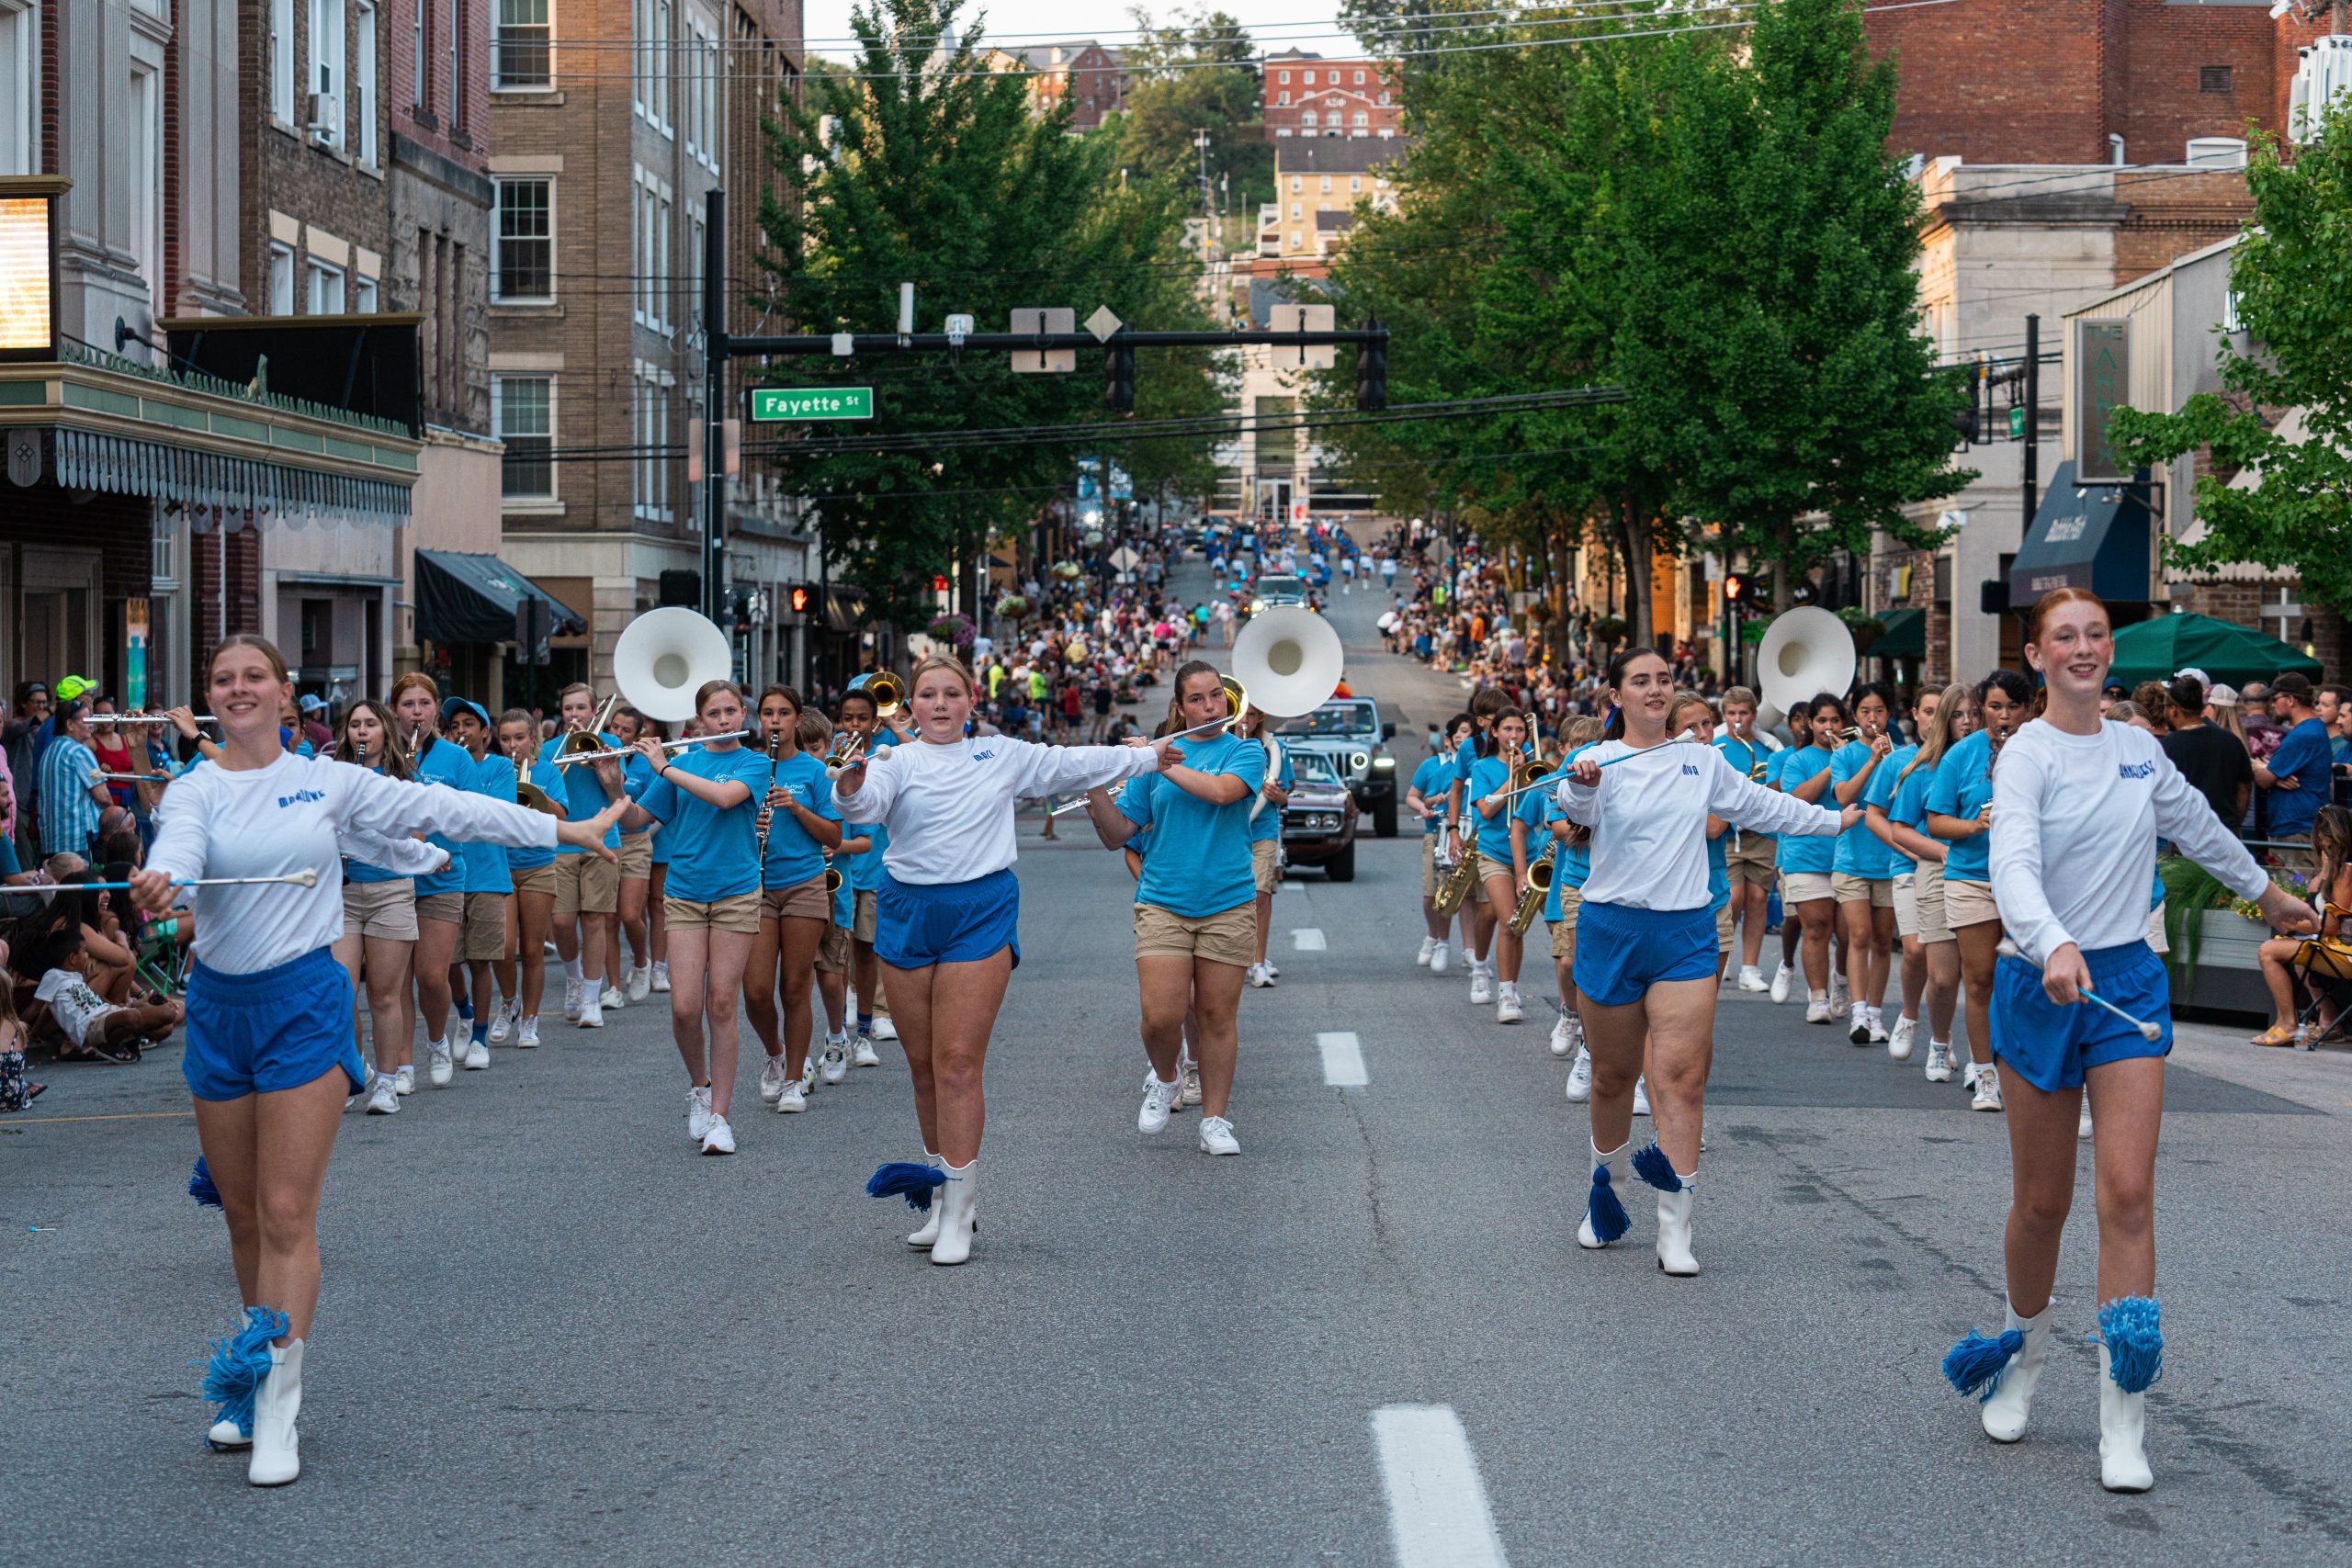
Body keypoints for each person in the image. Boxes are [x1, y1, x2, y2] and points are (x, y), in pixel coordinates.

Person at [135, 633, 620, 1487]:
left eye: (254, 677)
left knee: (286, 1212)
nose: (237, 689)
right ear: (208, 696)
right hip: (217, 1008)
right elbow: (177, 847)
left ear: (286, 696)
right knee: (241, 1212)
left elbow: (454, 811)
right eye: (222, 679)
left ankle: (281, 1398)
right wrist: (161, 880)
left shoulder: (329, 779)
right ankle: (255, 1369)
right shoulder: (194, 788)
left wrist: (564, 825)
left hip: (302, 1003)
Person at [1941, 588, 2313, 1493]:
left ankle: (2122, 1410)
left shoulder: (2139, 752)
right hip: (2041, 984)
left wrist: (2268, 898)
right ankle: (2021, 1351)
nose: (2081, 648)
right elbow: (2011, 863)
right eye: (2062, 636)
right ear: (2035, 656)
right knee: (2040, 1204)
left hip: (2126, 987)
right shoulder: (2024, 756)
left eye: (2095, 635)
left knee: (2127, 1190)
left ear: (2112, 651)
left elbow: (2201, 830)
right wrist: (2049, 939)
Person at [842, 656, 1170, 1264]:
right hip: (906, 909)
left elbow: (1070, 764)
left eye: (951, 694)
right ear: (911, 705)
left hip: (979, 908)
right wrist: (852, 784)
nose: (939, 704)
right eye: (928, 695)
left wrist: (1151, 756)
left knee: (958, 1063)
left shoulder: (1003, 755)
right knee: (921, 1066)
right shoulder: (895, 761)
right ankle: (940, 1197)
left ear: (971, 703)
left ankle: (961, 1210)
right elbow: (864, 809)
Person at [1561, 649, 1854, 1274]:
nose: (1655, 689)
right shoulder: (1599, 761)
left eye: (1664, 679)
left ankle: (1677, 1226)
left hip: (1686, 932)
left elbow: (1761, 806)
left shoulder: (1702, 759)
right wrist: (1581, 785)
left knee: (1682, 1078)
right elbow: (1576, 811)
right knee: (1613, 1076)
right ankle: (1603, 1194)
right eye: (1640, 680)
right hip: (1612, 927)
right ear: (1617, 694)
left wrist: (1833, 820)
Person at [616, 681, 771, 1155]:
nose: (724, 720)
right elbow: (637, 821)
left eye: (731, 711)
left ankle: (721, 1117)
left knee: (721, 1003)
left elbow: (724, 798)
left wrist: (663, 766)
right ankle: (700, 1088)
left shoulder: (756, 761)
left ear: (742, 715)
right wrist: (611, 779)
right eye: (714, 713)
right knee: (684, 1007)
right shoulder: (682, 764)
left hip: (736, 891)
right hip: (684, 891)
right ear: (700, 719)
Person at [1926, 670, 2032, 1112]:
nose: (2002, 717)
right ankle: (1984, 1073)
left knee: (2026, 978)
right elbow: (1935, 821)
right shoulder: (1962, 755)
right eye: (1994, 707)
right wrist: (1975, 824)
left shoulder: (2040, 750)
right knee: (1981, 976)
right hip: (1971, 875)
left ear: (2029, 709)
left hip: (2027, 876)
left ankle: (2024, 1070)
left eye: (2012, 707)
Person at [740, 685, 842, 1115]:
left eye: (784, 713)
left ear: (798, 719)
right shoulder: (748, 767)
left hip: (803, 884)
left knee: (794, 987)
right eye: (767, 713)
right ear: (759, 721)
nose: (775, 721)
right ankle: (775, 1052)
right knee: (757, 990)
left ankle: (794, 1080)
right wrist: (754, 822)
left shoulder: (814, 772)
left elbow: (834, 836)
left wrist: (796, 809)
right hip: (758, 886)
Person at [331, 701, 424, 1112]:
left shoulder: (401, 777)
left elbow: (419, 835)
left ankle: (387, 1082)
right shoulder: (334, 775)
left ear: (385, 730)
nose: (362, 732)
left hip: (390, 892)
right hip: (342, 893)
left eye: (370, 724)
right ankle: (355, 1071)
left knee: (385, 995)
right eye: (355, 725)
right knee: (341, 991)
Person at [1871, 685, 1964, 1075]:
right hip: (1911, 867)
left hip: (1964, 871)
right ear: (1919, 715)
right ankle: (1909, 1016)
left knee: (1959, 968)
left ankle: (1945, 1036)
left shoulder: (1971, 759)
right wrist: (1917, 851)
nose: (1932, 719)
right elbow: (1878, 816)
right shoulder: (1905, 763)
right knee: (1915, 951)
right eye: (1926, 711)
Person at [1831, 683, 1899, 1044]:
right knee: (1859, 934)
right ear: (1855, 717)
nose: (1873, 719)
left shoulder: (1902, 755)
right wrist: (1872, 760)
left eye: (1880, 711)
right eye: (1866, 712)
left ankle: (1875, 1012)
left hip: (1888, 861)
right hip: (1852, 860)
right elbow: (1843, 795)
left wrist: (1891, 762)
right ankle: (1859, 1011)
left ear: (1889, 715)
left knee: (1883, 942)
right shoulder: (1844, 754)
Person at [2251, 804, 2351, 1046]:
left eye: (2323, 838)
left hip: (2346, 950)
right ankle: (2321, 1021)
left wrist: (2294, 924)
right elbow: (2315, 908)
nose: (2320, 843)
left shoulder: (2346, 872)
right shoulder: (2328, 873)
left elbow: (2330, 928)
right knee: (2289, 951)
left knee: (2269, 950)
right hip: (2330, 946)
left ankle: (2288, 1024)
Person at [493, 709, 563, 1051]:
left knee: (533, 950)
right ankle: (509, 1001)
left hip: (538, 863)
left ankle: (530, 1021)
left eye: (519, 738)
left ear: (532, 739)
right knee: (504, 948)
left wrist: (536, 792)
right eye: (505, 739)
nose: (512, 746)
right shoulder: (494, 770)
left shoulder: (548, 771)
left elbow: (563, 815)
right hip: (502, 864)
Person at [1775, 694, 1845, 1024]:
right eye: (1822, 721)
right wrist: (1835, 765)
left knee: (1849, 934)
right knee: (1815, 927)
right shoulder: (1798, 760)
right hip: (1805, 854)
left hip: (1847, 856)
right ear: (1811, 724)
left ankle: (1842, 979)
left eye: (1834, 720)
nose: (1828, 727)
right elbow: (1796, 800)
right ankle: (1818, 996)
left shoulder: (1858, 755)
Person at [1468, 708, 1537, 1023]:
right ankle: (1505, 993)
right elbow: (1485, 810)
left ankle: (1510, 985)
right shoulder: (1481, 767)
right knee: (1508, 920)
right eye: (1508, 729)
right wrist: (1513, 778)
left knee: (1518, 925)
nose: (1514, 735)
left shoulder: (1534, 766)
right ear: (1494, 732)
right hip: (1494, 852)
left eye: (1520, 730)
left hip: (1529, 852)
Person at [1713, 689, 1778, 990]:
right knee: (1733, 897)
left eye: (1744, 713)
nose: (1738, 720)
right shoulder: (1717, 745)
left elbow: (1774, 789)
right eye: (1732, 713)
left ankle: (1750, 968)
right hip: (1728, 834)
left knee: (1758, 898)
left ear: (1754, 715)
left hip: (1760, 833)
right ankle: (1723, 953)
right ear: (1724, 715)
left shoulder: (1767, 748)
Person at [1409, 715, 1472, 973]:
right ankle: (1434, 937)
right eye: (1460, 733)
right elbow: (1413, 797)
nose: (1463, 737)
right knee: (1431, 894)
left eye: (1468, 732)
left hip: (1468, 833)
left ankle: (1470, 950)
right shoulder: (1431, 765)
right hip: (1435, 833)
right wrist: (1425, 806)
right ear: (1449, 739)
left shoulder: (1475, 765)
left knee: (1466, 894)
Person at [2255, 673, 2331, 875]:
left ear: (2290, 699)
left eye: (2276, 698)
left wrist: (2252, 763)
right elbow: (2272, 775)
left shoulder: (2303, 734)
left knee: (2295, 897)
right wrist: (2275, 777)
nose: (2272, 704)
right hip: (2298, 826)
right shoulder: (2311, 729)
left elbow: (2264, 779)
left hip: (2295, 829)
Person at [608, 706, 659, 1004]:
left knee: (629, 913)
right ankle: (613, 987)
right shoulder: (599, 755)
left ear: (637, 735)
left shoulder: (643, 763)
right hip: (603, 838)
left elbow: (651, 810)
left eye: (626, 730)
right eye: (614, 727)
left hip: (636, 840)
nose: (617, 734)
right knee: (608, 919)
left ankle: (641, 962)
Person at [1239, 704, 1293, 990]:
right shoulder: (1227, 744)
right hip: (1231, 830)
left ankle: (1258, 962)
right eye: (1240, 715)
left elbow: (1288, 793)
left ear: (1261, 717)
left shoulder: (1275, 747)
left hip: (1264, 830)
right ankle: (1239, 956)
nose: (1244, 720)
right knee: (1236, 899)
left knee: (1260, 894)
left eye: (1249, 715)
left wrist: (1278, 795)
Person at [2157, 674, 2253, 832]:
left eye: (2165, 706)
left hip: (2185, 835)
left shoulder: (2165, 747)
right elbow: (2245, 789)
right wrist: (2234, 824)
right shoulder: (2232, 741)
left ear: (2173, 710)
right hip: (2225, 831)